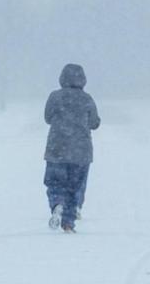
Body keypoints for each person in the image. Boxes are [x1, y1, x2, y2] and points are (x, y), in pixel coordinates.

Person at [43, 64, 100, 233]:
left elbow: (47, 118)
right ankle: (68, 223)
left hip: (56, 149)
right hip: (81, 151)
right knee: (74, 186)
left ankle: (57, 204)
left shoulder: (55, 97)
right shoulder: (87, 99)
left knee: (55, 182)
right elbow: (94, 123)